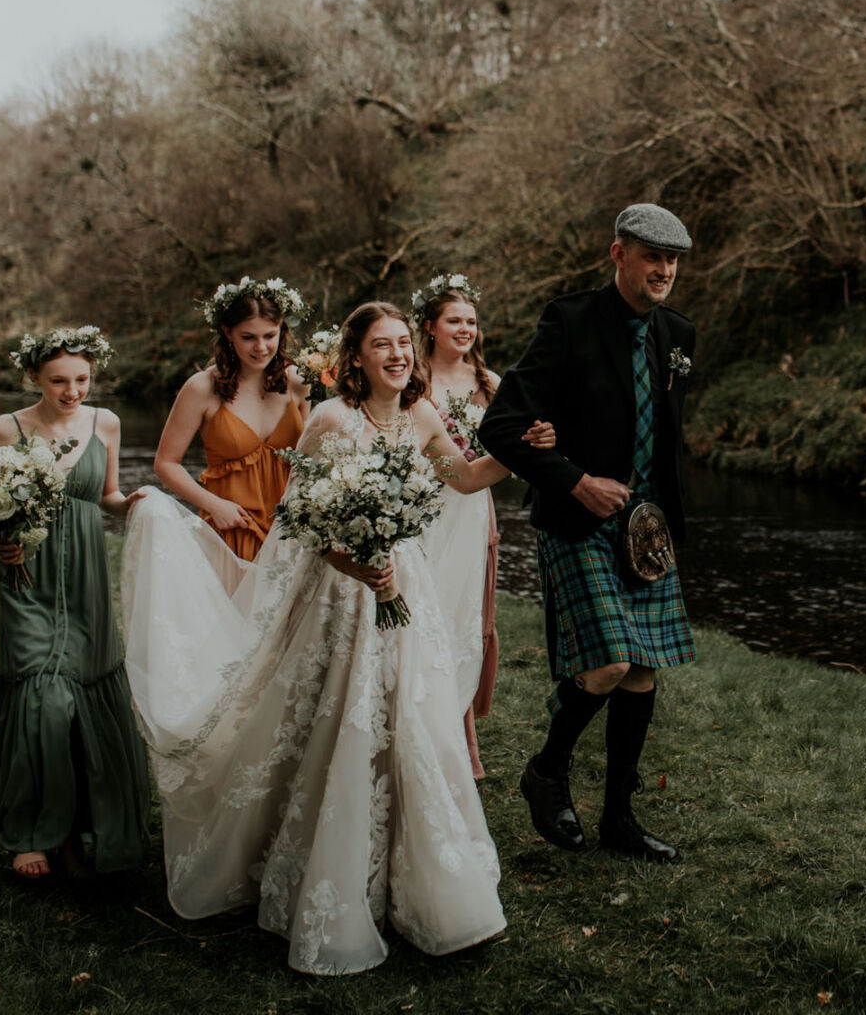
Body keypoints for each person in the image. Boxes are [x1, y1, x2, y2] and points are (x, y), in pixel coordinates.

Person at [120, 301, 550, 975]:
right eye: (383, 345)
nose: (399, 354)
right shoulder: (329, 421)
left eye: (405, 343)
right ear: (356, 358)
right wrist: (356, 564)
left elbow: (462, 478)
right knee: (339, 730)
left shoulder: (423, 415)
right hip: (343, 598)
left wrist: (518, 451)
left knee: (417, 726)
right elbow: (303, 524)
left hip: (405, 589)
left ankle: (430, 893)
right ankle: (329, 881)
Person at [479, 202, 697, 864]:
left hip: (648, 526)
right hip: (578, 518)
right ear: (618, 254)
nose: (663, 269)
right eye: (650, 255)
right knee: (606, 664)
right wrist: (573, 477)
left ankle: (619, 822)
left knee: (641, 672)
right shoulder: (569, 321)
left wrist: (668, 523)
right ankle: (546, 770)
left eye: (672, 260)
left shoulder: (678, 335)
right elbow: (501, 425)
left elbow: (663, 433)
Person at [0, 326, 150, 880]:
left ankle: (76, 827)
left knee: (82, 693)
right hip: (28, 573)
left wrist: (136, 505)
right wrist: (1, 539)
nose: (72, 390)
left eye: (82, 379)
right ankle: (30, 832)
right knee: (42, 695)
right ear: (33, 377)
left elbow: (106, 497)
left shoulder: (107, 424)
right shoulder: (8, 428)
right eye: (59, 381)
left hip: (87, 582)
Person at [412, 273, 503, 781]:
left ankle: (462, 739)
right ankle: (418, 725)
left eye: (471, 321)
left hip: (470, 510)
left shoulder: (490, 384)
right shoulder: (412, 379)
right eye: (455, 320)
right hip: (423, 506)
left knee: (464, 616)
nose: (465, 329)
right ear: (430, 326)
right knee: (426, 609)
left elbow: (505, 446)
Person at [153, 277, 311, 561]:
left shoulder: (298, 382)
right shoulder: (201, 388)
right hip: (232, 530)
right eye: (248, 337)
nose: (261, 347)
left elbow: (310, 458)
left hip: (290, 532)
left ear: (282, 331)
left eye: (269, 335)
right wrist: (214, 505)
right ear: (228, 333)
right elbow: (165, 463)